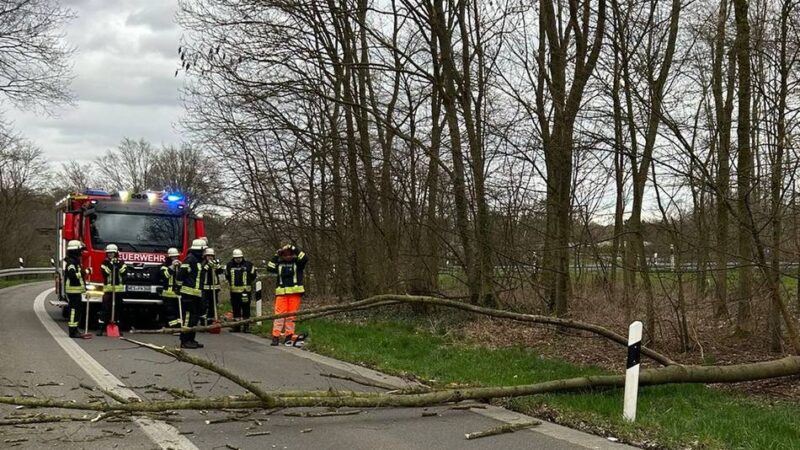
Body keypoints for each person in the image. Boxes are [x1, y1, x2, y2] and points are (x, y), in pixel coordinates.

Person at [267, 244, 308, 346]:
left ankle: (288, 336)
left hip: (294, 294)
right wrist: (276, 255)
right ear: (282, 255)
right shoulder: (279, 264)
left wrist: (294, 248)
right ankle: (275, 337)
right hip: (282, 294)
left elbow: (305, 258)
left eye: (290, 254)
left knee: (291, 316)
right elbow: (269, 267)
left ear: (293, 255)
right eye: (285, 254)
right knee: (279, 316)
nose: (288, 256)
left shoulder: (298, 263)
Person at [177, 239, 207, 348]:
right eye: (204, 250)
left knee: (194, 318)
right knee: (188, 318)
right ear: (199, 250)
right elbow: (180, 275)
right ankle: (185, 340)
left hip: (196, 294)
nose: (205, 253)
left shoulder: (198, 260)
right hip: (188, 294)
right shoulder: (190, 260)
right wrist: (178, 288)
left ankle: (191, 339)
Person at [97, 244, 127, 336]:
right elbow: (105, 273)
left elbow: (124, 272)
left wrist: (118, 264)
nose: (110, 255)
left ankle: (118, 328)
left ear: (116, 253)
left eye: (112, 253)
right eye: (109, 253)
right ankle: (101, 329)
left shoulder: (121, 262)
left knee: (118, 309)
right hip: (108, 290)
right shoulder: (104, 263)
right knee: (105, 309)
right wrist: (111, 264)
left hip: (118, 290)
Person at [225, 249, 256, 332]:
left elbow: (253, 276)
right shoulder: (229, 265)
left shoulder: (249, 265)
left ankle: (246, 327)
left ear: (242, 257)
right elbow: (227, 276)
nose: (238, 259)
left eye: (239, 257)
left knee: (246, 309)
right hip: (234, 293)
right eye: (236, 258)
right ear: (233, 258)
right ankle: (236, 327)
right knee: (236, 309)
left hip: (245, 292)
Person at [63, 240, 87, 338]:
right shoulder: (71, 263)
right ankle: (72, 331)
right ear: (75, 251)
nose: (81, 252)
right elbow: (72, 275)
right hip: (73, 290)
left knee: (77, 310)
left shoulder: (75, 261)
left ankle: (75, 329)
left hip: (76, 290)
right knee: (73, 310)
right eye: (80, 250)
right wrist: (83, 273)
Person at [201, 247, 224, 326]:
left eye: (211, 256)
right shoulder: (202, 263)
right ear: (205, 256)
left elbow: (221, 271)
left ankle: (211, 321)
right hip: (205, 288)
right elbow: (202, 271)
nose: (210, 257)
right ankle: (203, 322)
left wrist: (216, 266)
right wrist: (208, 265)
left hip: (215, 288)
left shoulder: (216, 263)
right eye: (208, 256)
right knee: (203, 305)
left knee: (213, 305)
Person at [160, 247, 182, 328]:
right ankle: (172, 327)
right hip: (168, 293)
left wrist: (181, 267)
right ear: (169, 257)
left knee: (178, 311)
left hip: (177, 292)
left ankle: (179, 326)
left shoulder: (179, 266)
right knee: (170, 311)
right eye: (173, 257)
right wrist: (172, 267)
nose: (175, 259)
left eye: (176, 257)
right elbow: (165, 275)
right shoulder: (164, 267)